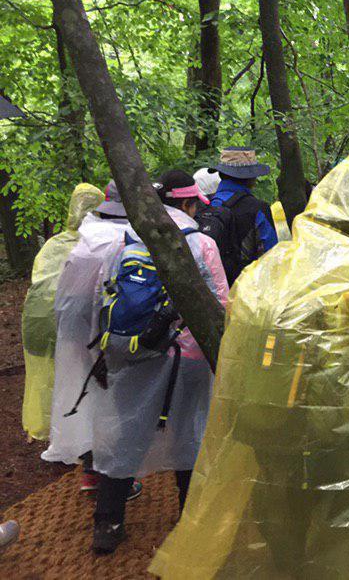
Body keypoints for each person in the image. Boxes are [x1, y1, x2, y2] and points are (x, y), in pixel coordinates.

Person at [149, 144, 349, 579]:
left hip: (262, 418)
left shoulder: (272, 264)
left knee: (280, 511)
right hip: (339, 423)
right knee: (342, 516)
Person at [90, 170, 228, 555]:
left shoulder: (126, 239)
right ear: (187, 204)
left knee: (126, 432)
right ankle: (191, 521)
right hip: (189, 356)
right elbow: (221, 303)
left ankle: (108, 524)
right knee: (191, 432)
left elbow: (105, 295)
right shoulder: (202, 245)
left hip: (134, 352)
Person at [44, 182, 139, 498]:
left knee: (86, 398)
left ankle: (90, 471)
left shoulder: (86, 239)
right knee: (112, 402)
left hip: (72, 328)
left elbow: (64, 292)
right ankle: (113, 480)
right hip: (103, 332)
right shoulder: (124, 241)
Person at [21, 183, 104, 443]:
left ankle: (47, 430)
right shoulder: (96, 243)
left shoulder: (52, 244)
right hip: (68, 320)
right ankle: (73, 437)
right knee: (75, 375)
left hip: (36, 319)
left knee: (49, 376)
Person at [202, 147, 278, 283]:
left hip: (212, 287)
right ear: (250, 178)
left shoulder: (204, 206)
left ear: (221, 174)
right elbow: (271, 255)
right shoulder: (257, 208)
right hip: (246, 288)